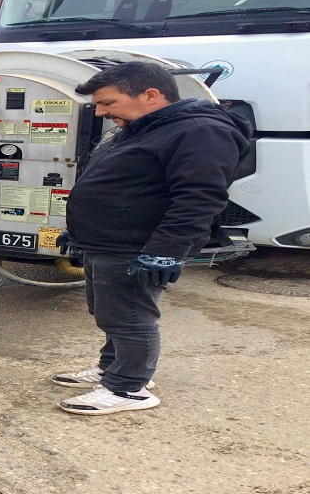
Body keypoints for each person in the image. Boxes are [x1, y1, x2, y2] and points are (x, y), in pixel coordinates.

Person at [53, 61, 251, 415]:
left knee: (129, 317)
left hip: (136, 245)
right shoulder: (143, 127)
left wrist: (165, 251)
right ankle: (112, 367)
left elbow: (199, 198)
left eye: (108, 103)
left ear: (150, 95)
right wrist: (78, 230)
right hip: (107, 240)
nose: (100, 112)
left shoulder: (199, 132)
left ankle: (129, 388)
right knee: (108, 312)